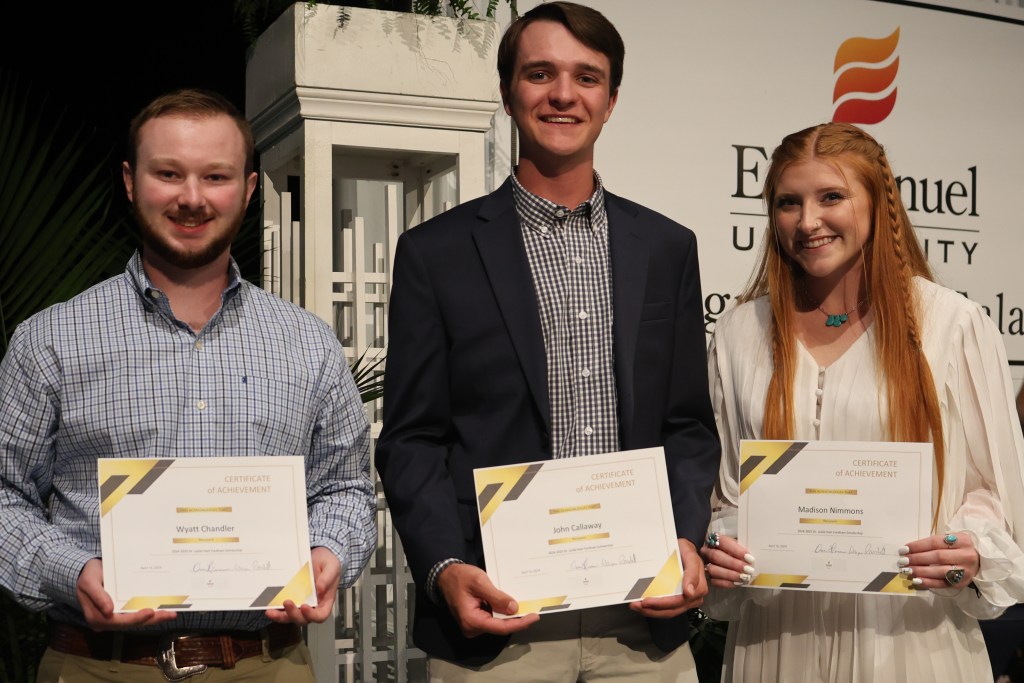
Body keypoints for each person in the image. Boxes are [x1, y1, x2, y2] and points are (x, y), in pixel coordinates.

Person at [375, 2, 720, 680]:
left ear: (611, 99)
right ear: (508, 92)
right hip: (501, 623)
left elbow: (687, 426)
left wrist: (683, 537)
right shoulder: (434, 253)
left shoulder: (667, 248)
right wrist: (446, 567)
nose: (564, 94)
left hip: (642, 622)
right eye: (540, 73)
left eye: (587, 77)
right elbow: (412, 438)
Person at [0, 88, 377, 681]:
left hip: (268, 666)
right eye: (168, 174)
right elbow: (4, 496)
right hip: (98, 667)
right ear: (130, 181)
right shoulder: (49, 340)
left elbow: (347, 489)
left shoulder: (308, 343)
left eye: (216, 176)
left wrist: (327, 555)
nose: (193, 198)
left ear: (249, 189)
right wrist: (70, 573)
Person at [700, 121, 1024, 682]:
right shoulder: (737, 334)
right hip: (778, 643)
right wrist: (724, 545)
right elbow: (728, 492)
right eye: (787, 202)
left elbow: (993, 491)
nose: (807, 222)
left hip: (909, 639)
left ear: (879, 205)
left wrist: (968, 548)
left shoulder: (952, 325)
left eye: (831, 197)